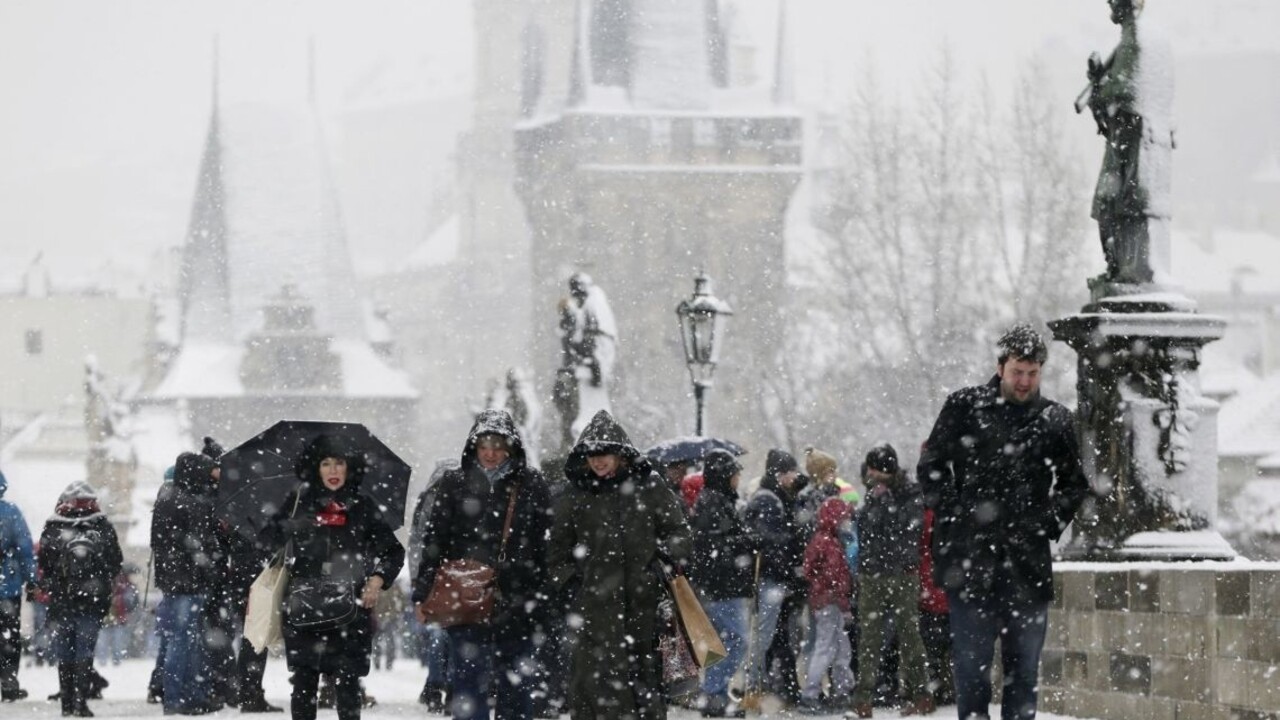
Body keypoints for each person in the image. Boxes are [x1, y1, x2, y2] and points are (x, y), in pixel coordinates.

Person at [919, 323, 1088, 720]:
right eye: (1017, 371)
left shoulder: (1055, 420)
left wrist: (1045, 522)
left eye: (1032, 373)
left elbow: (1073, 484)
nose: (1025, 381)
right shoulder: (963, 407)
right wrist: (957, 516)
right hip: (969, 562)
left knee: (1023, 675)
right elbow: (931, 467)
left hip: (1026, 565)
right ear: (1001, 367)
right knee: (971, 673)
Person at [547, 410, 691, 720]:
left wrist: (659, 565)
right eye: (591, 455)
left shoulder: (649, 488)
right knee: (592, 692)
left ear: (620, 454)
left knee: (644, 689)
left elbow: (679, 531)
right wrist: (574, 587)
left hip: (643, 607)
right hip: (593, 613)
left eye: (604, 454)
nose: (597, 461)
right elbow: (555, 551)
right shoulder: (576, 496)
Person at [412, 410, 550, 720]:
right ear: (473, 446)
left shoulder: (531, 484)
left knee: (516, 685)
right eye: (484, 445)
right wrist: (421, 595)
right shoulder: (453, 482)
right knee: (468, 682)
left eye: (498, 446)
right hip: (467, 596)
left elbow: (544, 546)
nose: (490, 453)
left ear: (511, 448)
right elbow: (433, 543)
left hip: (518, 599)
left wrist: (541, 595)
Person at [263, 434, 404, 720]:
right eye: (325, 463)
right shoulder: (298, 500)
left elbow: (392, 552)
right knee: (303, 684)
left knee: (349, 684)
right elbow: (265, 539)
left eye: (339, 463)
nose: (333, 471)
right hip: (305, 603)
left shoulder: (363, 506)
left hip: (350, 608)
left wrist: (376, 580)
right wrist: (291, 526)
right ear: (315, 467)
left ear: (349, 467)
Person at [849, 444, 933, 718]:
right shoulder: (875, 493)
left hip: (900, 573)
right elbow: (866, 528)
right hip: (874, 572)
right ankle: (864, 699)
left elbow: (907, 530)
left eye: (873, 470)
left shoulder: (909, 494)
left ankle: (920, 693)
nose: (869, 475)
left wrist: (882, 504)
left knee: (908, 635)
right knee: (869, 639)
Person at [37, 481, 123, 717]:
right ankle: (80, 703)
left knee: (65, 650)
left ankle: (66, 703)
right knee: (85, 650)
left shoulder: (53, 526)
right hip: (92, 601)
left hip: (62, 601)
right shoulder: (103, 525)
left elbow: (44, 563)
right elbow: (116, 562)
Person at [152, 450, 227, 716]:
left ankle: (182, 696)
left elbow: (162, 543)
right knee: (184, 641)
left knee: (183, 640)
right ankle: (180, 697)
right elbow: (200, 542)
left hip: (176, 581)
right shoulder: (189, 502)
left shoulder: (168, 498)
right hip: (189, 582)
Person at [688, 449, 758, 718]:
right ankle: (714, 691)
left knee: (726, 640)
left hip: (725, 585)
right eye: (735, 474)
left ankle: (716, 693)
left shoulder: (719, 501)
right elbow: (710, 546)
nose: (738, 479)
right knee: (735, 639)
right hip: (722, 587)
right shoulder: (713, 503)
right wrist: (746, 543)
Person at [742, 449, 806, 706]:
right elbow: (773, 544)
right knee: (765, 634)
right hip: (771, 579)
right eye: (791, 472)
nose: (794, 477)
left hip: (772, 577)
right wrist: (789, 573)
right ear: (781, 474)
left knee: (774, 635)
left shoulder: (772, 496)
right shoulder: (770, 500)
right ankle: (753, 686)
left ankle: (762, 685)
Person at [406, 458, 459, 713]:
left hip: (437, 578)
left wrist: (419, 578)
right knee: (447, 636)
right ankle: (443, 685)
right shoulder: (455, 499)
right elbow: (418, 543)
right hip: (449, 579)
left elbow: (416, 543)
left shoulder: (427, 501)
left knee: (439, 635)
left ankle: (435, 686)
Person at [797, 497, 855, 714]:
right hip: (831, 604)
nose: (846, 521)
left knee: (839, 647)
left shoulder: (821, 540)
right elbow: (836, 579)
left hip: (824, 602)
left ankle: (839, 691)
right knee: (829, 647)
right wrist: (843, 603)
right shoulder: (831, 543)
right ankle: (811, 694)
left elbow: (811, 570)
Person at [0, 469, 36, 702]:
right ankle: (9, 680)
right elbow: (25, 549)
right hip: (7, 586)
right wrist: (31, 580)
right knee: (10, 636)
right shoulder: (11, 512)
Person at [918, 507, 954, 707]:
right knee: (948, 648)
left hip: (930, 593)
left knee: (931, 648)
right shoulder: (949, 514)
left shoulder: (925, 517)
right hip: (946, 594)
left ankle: (934, 690)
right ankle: (945, 688)